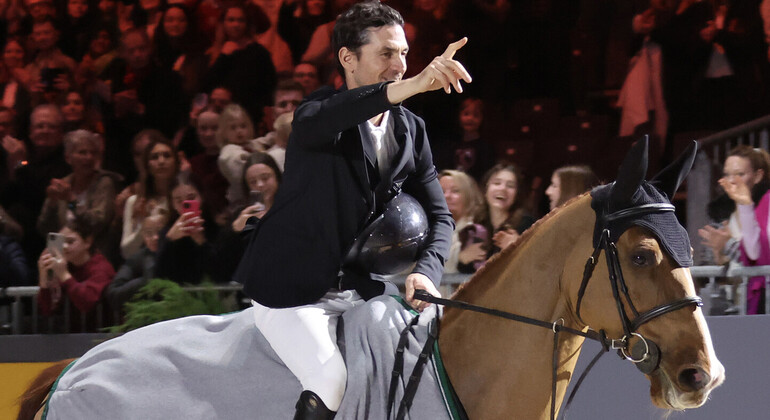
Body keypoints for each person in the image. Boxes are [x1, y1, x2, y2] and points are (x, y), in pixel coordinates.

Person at [232, 2, 468, 417]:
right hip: (292, 288)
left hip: (359, 285)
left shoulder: (411, 129)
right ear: (348, 58)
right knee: (329, 381)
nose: (400, 65)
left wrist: (427, 272)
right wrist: (415, 84)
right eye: (386, 53)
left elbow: (440, 216)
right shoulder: (315, 114)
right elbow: (342, 111)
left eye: (404, 53)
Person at [36, 129, 119, 258]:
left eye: (93, 153)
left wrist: (71, 201)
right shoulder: (63, 184)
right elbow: (46, 229)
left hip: (93, 255)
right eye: (82, 152)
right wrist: (51, 202)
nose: (89, 157)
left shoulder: (104, 183)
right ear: (68, 158)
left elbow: (97, 223)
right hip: (62, 255)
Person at [713, 146, 770, 314]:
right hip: (749, 300)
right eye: (727, 174)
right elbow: (754, 254)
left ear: (758, 176)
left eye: (740, 174)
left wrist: (729, 245)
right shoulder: (724, 214)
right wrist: (745, 204)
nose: (732, 181)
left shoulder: (766, 202)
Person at [37, 212, 116, 331]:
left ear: (87, 242)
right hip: (71, 333)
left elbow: (86, 302)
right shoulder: (63, 265)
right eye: (61, 241)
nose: (64, 246)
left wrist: (64, 275)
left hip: (101, 333)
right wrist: (44, 278)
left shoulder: (101, 267)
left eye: (70, 242)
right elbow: (47, 309)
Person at [121, 136, 178, 259]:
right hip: (144, 262)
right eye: (155, 157)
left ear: (175, 162)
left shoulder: (183, 199)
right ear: (147, 165)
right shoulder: (134, 201)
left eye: (167, 155)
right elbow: (126, 252)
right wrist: (144, 227)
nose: (161, 161)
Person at [104, 212, 165, 310]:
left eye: (159, 231)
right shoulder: (138, 258)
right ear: (143, 235)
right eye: (149, 233)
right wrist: (143, 281)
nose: (155, 237)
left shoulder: (177, 252)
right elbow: (113, 292)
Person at [476, 163, 535, 260]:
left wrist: (520, 249)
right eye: (497, 183)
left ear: (517, 195)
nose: (503, 188)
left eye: (510, 186)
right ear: (486, 189)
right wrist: (462, 258)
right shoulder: (476, 222)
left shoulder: (527, 225)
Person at [439, 169, 485, 274]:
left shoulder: (476, 231)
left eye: (455, 191)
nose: (447, 196)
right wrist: (458, 257)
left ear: (468, 196)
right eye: (442, 191)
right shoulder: (428, 230)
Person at [216, 103, 258, 206]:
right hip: (241, 201)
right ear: (224, 132)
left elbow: (260, 142)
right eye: (233, 128)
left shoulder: (249, 144)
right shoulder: (229, 153)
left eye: (243, 126)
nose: (239, 131)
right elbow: (242, 175)